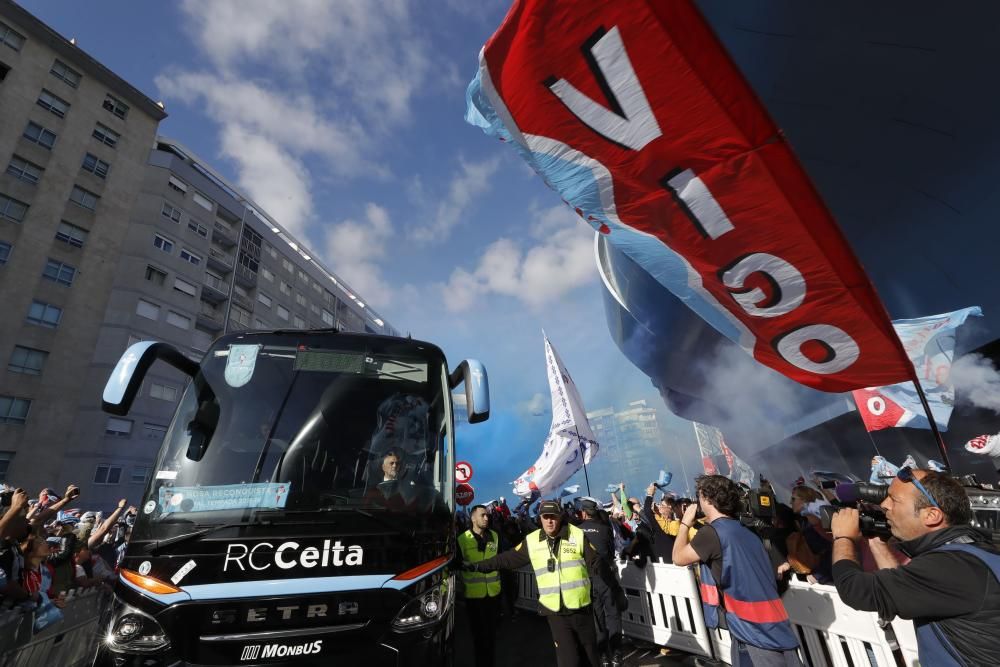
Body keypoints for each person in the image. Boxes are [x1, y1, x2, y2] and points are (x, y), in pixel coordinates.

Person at [831, 468, 1000, 665]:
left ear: (931, 515)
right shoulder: (970, 553)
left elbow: (854, 589)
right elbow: (898, 588)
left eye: (894, 500)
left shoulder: (947, 567)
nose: (884, 506)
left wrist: (843, 537)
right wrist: (876, 540)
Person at [465, 499, 627, 667]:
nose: (549, 521)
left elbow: (597, 563)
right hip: (555, 613)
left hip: (581, 610)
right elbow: (507, 559)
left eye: (553, 516)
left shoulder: (576, 534)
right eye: (545, 516)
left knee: (591, 658)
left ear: (560, 516)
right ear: (540, 518)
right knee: (569, 661)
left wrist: (616, 589)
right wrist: (479, 566)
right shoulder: (532, 540)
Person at [673, 475, 801, 666]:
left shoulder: (712, 532)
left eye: (699, 497)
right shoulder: (747, 528)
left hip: (752, 630)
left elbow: (678, 557)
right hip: (776, 623)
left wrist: (685, 524)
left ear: (707, 499)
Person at [578, 498, 623, 667]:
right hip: (606, 577)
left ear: (583, 513)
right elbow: (611, 553)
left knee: (597, 618)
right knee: (613, 614)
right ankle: (617, 653)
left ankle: (603, 655)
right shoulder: (605, 529)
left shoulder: (577, 531)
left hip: (588, 579)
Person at [457, 505, 501, 667]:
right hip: (474, 598)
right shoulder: (462, 539)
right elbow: (456, 564)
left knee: (491, 636)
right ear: (473, 518)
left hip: (494, 595)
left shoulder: (495, 536)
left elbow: (503, 559)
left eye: (487, 515)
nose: (486, 518)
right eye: (482, 515)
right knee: (479, 637)